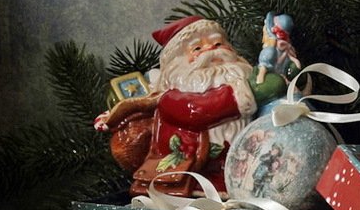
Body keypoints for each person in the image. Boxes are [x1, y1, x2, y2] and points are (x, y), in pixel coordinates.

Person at [98, 16, 258, 196]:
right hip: (198, 176)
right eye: (197, 48)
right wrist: (251, 92)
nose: (211, 49)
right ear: (176, 62)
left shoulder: (243, 77)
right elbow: (199, 110)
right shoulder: (170, 98)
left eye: (218, 43)